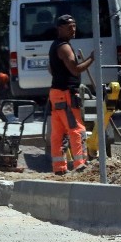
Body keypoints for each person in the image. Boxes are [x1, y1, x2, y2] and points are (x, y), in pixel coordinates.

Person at [48, 14, 94, 175]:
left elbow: (50, 69)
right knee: (76, 129)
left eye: (74, 26)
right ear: (59, 29)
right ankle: (80, 165)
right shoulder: (64, 47)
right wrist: (91, 59)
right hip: (66, 94)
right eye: (69, 27)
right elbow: (75, 69)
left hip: (55, 93)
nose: (73, 30)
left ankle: (59, 168)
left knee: (59, 132)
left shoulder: (55, 46)